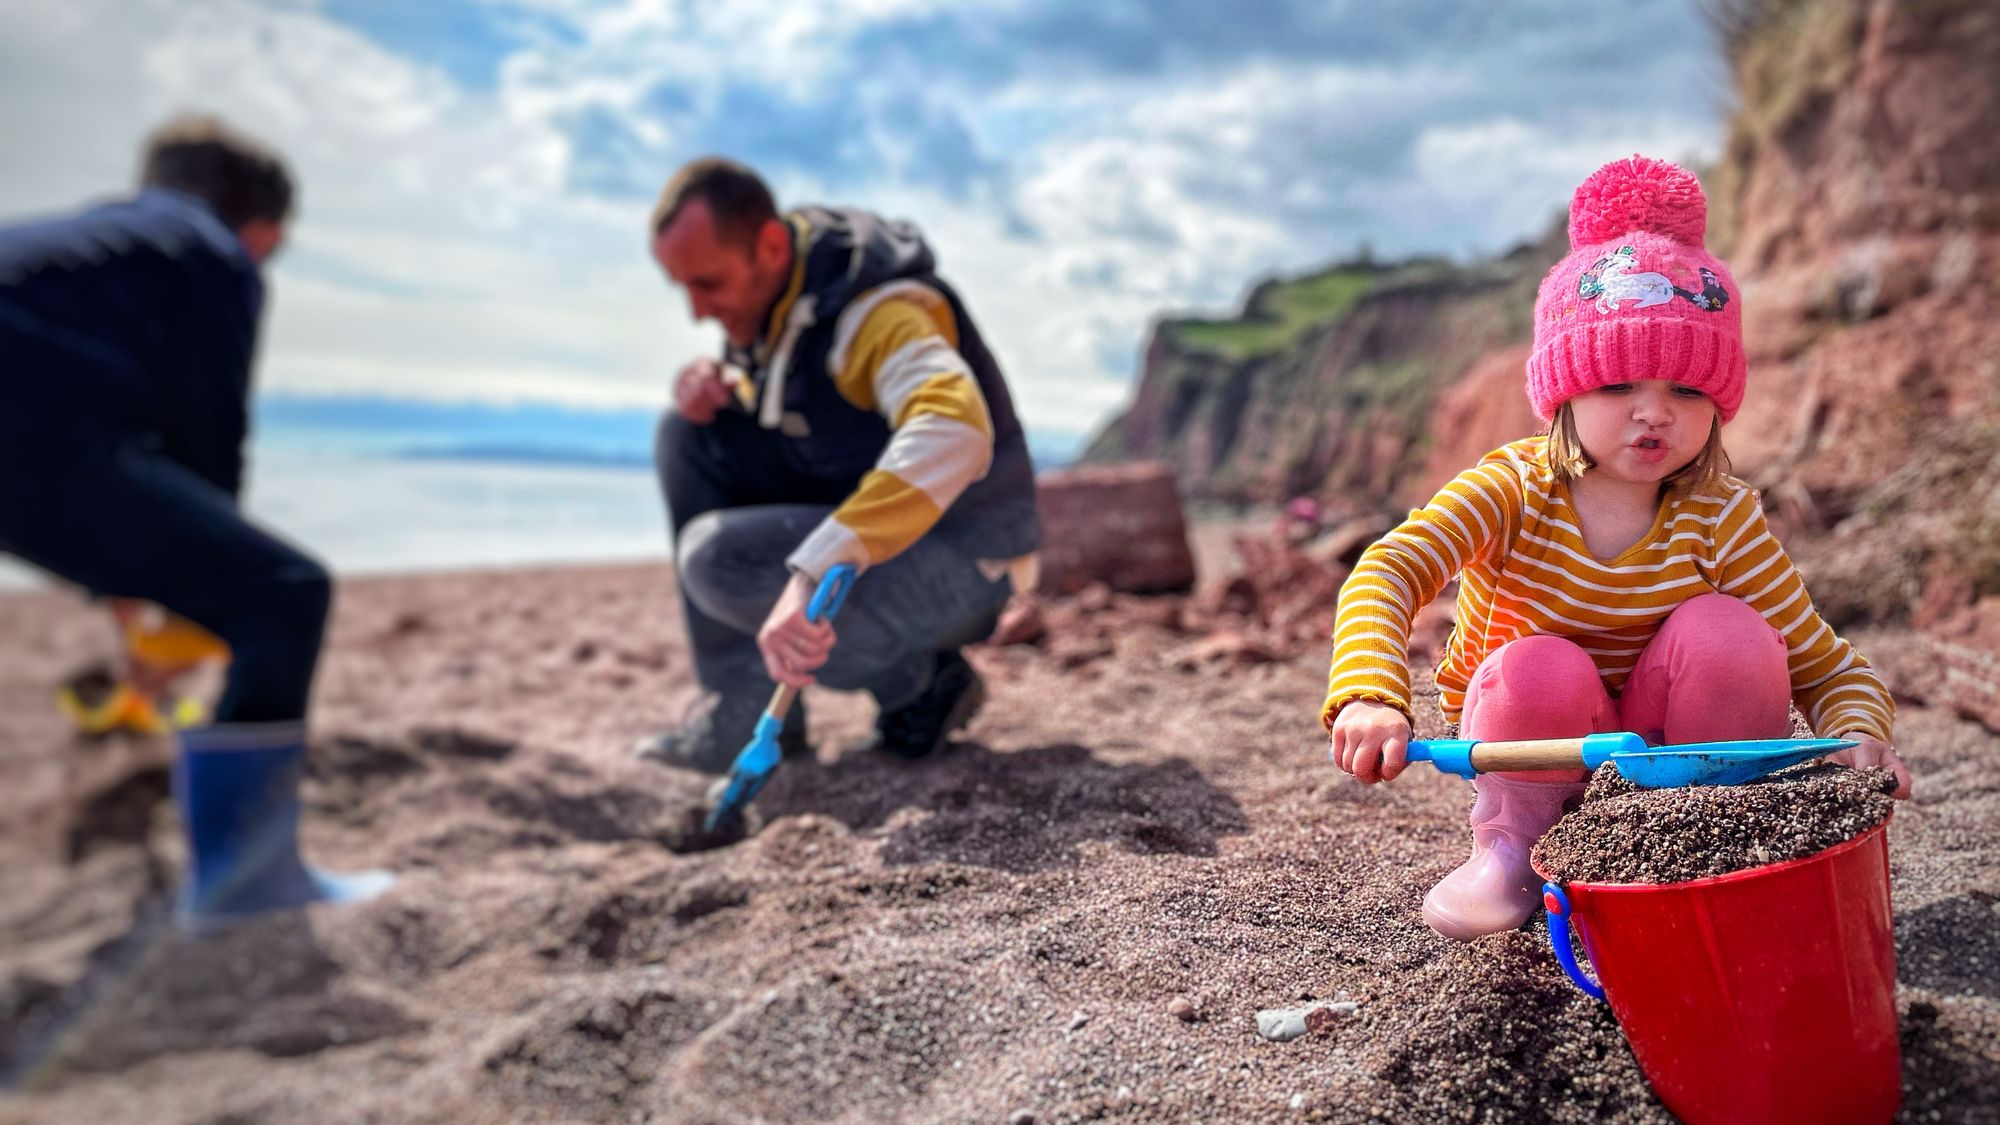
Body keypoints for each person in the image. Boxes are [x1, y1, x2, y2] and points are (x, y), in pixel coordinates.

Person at [1320, 155, 1910, 942]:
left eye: (1687, 391)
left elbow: (1822, 662)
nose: (1654, 414)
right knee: (1541, 665)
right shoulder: (1514, 489)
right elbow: (1390, 568)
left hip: (1679, 761)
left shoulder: (1720, 514)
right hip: (1538, 734)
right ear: (1565, 391)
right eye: (1618, 386)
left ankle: (1707, 828)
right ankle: (1516, 845)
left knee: (1733, 634)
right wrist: (1369, 692)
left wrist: (1862, 735)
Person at [0, 114, 393, 932]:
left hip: (36, 418)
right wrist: (184, 614)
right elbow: (209, 464)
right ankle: (246, 884)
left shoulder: (93, 249)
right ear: (262, 229)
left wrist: (140, 597)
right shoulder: (211, 255)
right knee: (282, 592)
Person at [634, 157, 1040, 772]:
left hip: (964, 561)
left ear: (769, 246)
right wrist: (723, 387)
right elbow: (817, 415)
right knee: (687, 434)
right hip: (891, 540)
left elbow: (955, 429)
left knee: (717, 558)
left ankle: (921, 684)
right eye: (683, 288)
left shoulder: (879, 312)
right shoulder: (781, 297)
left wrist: (811, 573)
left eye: (708, 284)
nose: (696, 311)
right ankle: (743, 719)